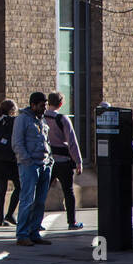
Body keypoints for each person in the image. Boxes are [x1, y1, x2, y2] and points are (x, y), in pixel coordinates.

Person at [11, 92, 54, 246]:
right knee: (27, 200)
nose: (45, 109)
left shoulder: (42, 120)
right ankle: (22, 234)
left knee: (40, 201)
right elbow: (17, 143)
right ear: (33, 105)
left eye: (46, 105)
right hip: (29, 165)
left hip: (44, 164)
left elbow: (46, 140)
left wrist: (50, 160)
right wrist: (27, 160)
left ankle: (34, 232)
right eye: (42, 106)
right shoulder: (22, 119)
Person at [43, 92, 84, 230]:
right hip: (63, 161)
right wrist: (78, 161)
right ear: (61, 104)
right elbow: (72, 142)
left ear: (48, 102)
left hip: (47, 160)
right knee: (68, 192)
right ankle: (72, 222)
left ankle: (35, 221)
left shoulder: (41, 118)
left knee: (42, 191)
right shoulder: (62, 119)